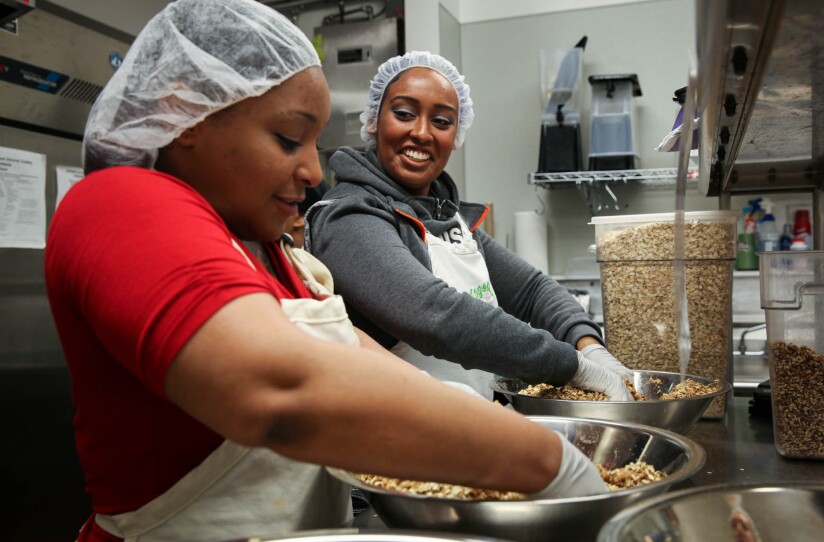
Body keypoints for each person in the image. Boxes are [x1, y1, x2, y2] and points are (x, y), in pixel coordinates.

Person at [44, 3, 612, 541]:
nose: (315, 172)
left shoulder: (272, 252)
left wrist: (485, 414)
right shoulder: (123, 203)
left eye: (313, 143)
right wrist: (545, 462)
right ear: (182, 110)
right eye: (289, 139)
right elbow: (281, 389)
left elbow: (362, 361)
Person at [306, 51, 633, 401]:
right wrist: (571, 366)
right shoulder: (347, 217)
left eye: (441, 121)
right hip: (396, 425)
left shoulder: (448, 217)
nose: (421, 133)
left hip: (470, 418)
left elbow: (533, 291)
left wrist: (588, 345)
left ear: (457, 135)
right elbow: (435, 315)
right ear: (374, 119)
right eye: (403, 113)